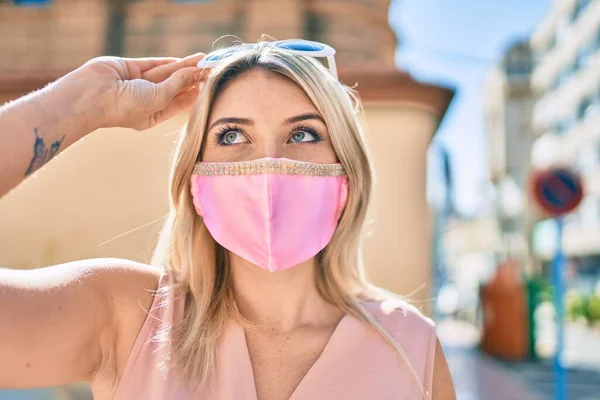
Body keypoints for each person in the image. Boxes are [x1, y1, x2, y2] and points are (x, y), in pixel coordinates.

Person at [0, 40, 455, 400]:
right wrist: (81, 105)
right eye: (232, 135)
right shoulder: (125, 319)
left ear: (346, 173)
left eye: (302, 133)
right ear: (195, 180)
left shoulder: (412, 348)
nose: (269, 165)